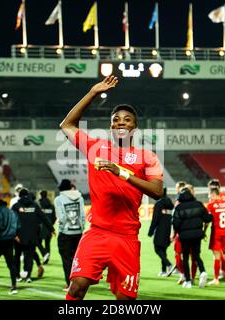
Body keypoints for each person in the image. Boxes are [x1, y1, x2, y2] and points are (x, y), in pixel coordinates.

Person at [60, 75, 164, 300]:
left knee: (124, 299)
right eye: (116, 119)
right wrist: (92, 93)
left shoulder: (147, 157)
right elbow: (67, 125)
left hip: (126, 238)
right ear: (111, 125)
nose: (121, 123)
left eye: (126, 120)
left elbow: (157, 192)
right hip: (97, 232)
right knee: (76, 287)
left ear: (134, 126)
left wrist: (122, 173)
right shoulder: (95, 148)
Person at [172, 186, 212, 288]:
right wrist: (210, 216)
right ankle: (202, 271)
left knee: (185, 257)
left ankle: (188, 281)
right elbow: (207, 218)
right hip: (197, 235)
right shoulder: (198, 205)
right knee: (196, 255)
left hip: (184, 236)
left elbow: (175, 224)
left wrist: (176, 232)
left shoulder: (179, 208)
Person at [12, 188, 55, 283]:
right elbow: (43, 218)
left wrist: (14, 234)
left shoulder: (15, 206)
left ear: (19, 196)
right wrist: (51, 229)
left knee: (17, 256)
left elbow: (12, 221)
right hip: (32, 235)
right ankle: (28, 276)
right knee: (29, 256)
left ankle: (17, 276)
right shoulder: (35, 206)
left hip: (19, 236)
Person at [54, 179, 86, 291]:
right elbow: (82, 215)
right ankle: (79, 283)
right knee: (77, 260)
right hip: (78, 233)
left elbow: (61, 217)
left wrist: (62, 230)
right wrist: (81, 228)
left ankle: (70, 284)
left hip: (66, 233)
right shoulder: (80, 197)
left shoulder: (58, 199)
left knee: (66, 260)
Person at [148, 187, 174, 277]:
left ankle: (169, 265)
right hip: (169, 229)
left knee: (157, 249)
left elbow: (155, 219)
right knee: (163, 249)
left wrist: (150, 231)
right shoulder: (170, 204)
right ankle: (163, 271)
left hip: (160, 229)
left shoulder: (158, 204)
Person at [39, 190, 57, 264]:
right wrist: (50, 225)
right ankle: (47, 258)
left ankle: (44, 254)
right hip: (49, 228)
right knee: (47, 244)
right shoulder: (51, 206)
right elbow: (54, 217)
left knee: (38, 242)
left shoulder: (39, 205)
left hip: (40, 227)